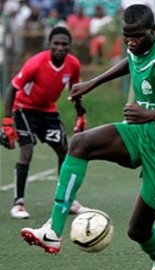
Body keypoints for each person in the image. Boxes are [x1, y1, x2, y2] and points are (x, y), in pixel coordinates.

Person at [20, 5, 155, 270]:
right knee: (81, 143)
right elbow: (131, 60)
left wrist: (151, 114)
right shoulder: (136, 48)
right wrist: (93, 83)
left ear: (153, 31)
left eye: (137, 36)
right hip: (142, 133)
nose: (131, 42)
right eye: (127, 37)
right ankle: (53, 230)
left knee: (137, 230)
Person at [0, 26, 90, 219]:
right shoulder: (35, 63)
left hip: (48, 111)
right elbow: (11, 90)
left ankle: (67, 200)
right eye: (55, 43)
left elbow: (74, 90)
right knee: (27, 150)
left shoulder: (73, 64)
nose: (60, 47)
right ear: (49, 45)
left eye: (64, 44)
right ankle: (19, 203)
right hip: (24, 109)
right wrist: (7, 122)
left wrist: (80, 113)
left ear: (69, 47)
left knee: (65, 151)